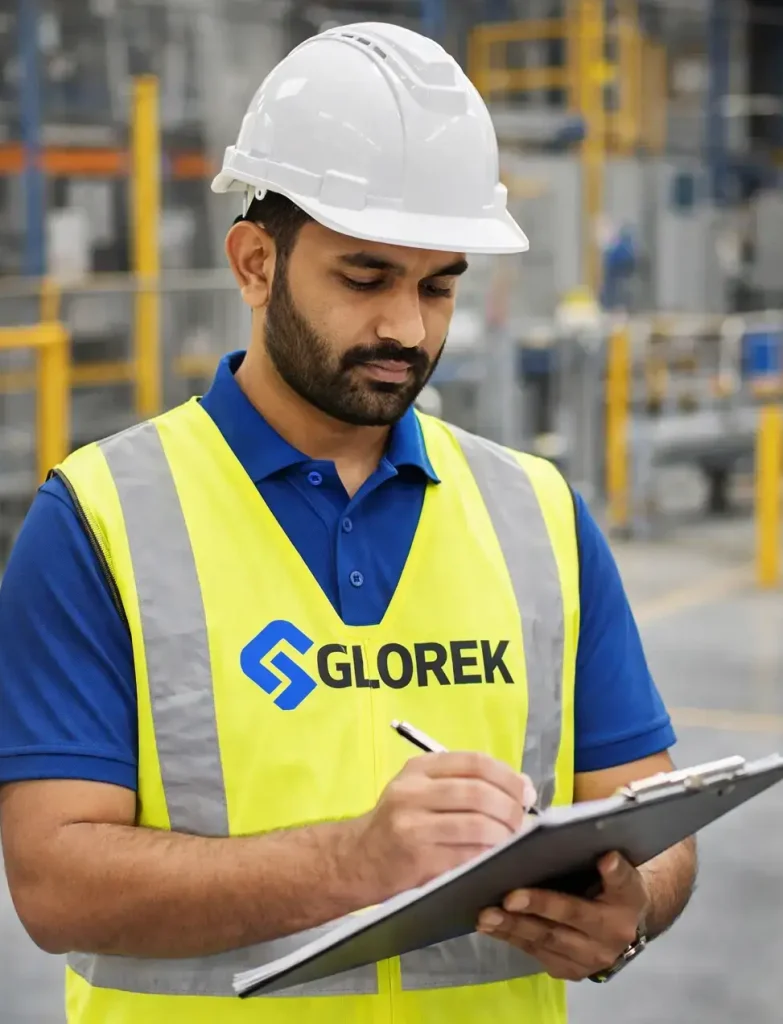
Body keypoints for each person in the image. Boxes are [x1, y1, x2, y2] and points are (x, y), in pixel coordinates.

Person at [0, 21, 696, 1024]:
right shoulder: (101, 522)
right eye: (365, 278)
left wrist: (630, 907)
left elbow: (657, 822)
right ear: (254, 263)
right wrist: (352, 861)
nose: (408, 329)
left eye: (439, 284)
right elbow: (55, 881)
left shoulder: (536, 515)